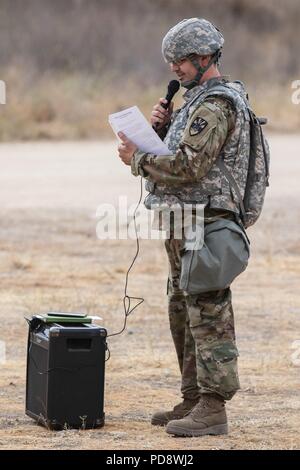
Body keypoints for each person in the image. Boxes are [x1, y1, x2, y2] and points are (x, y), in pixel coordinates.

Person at [118, 17, 252, 437]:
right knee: (183, 307)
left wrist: (138, 157)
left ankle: (213, 407)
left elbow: (189, 166)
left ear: (204, 57)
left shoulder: (216, 105)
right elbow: (177, 156)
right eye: (172, 61)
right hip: (184, 220)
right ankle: (194, 397)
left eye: (180, 61)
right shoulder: (196, 100)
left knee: (208, 311)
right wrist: (158, 131)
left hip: (207, 223)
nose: (174, 68)